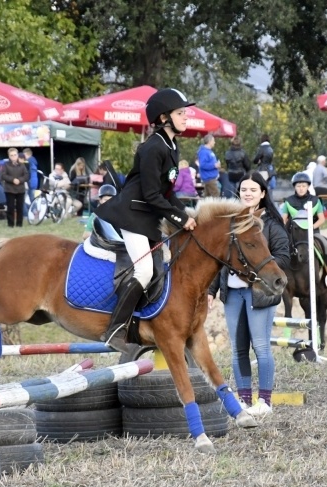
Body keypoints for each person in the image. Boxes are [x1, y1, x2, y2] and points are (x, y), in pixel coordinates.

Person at [95, 88, 197, 354]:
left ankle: (139, 326)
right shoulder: (153, 148)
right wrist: (178, 218)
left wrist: (187, 215)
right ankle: (114, 329)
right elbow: (152, 194)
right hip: (132, 215)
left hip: (147, 217)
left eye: (186, 112)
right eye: (180, 113)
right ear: (164, 117)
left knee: (158, 269)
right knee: (144, 271)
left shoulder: (171, 145)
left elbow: (168, 193)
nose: (186, 117)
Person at [207, 171, 290, 416]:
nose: (248, 194)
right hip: (232, 293)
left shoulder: (272, 224)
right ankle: (244, 398)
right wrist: (211, 291)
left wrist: (259, 267)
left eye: (253, 190)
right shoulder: (230, 222)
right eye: (244, 190)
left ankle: (264, 401)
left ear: (263, 194)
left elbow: (283, 256)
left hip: (260, 294)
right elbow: (219, 260)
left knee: (261, 347)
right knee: (238, 348)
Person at [0, 147, 29, 227]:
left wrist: (20, 180)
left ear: (17, 155)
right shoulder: (5, 165)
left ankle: (19, 224)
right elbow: (3, 175)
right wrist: (12, 180)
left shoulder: (22, 165)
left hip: (20, 189)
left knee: (20, 207)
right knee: (10, 207)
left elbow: (26, 175)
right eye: (11, 155)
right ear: (9, 156)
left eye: (15, 155)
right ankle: (10, 224)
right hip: (9, 189)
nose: (13, 157)